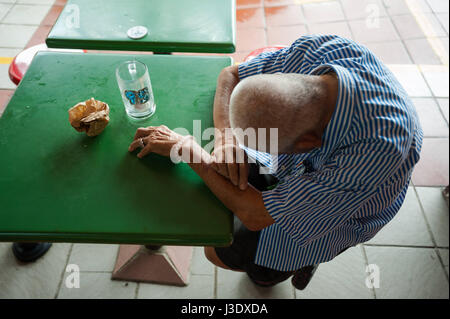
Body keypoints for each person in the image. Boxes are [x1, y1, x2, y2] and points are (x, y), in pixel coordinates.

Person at [128, 35, 423, 289]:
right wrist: (227, 139)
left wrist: (189, 150)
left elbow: (255, 214)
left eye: (261, 147)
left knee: (228, 255)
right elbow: (230, 75)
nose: (251, 153)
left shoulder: (372, 156)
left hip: (345, 211)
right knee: (227, 195)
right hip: (320, 163)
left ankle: (283, 271)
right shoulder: (318, 52)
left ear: (307, 146)